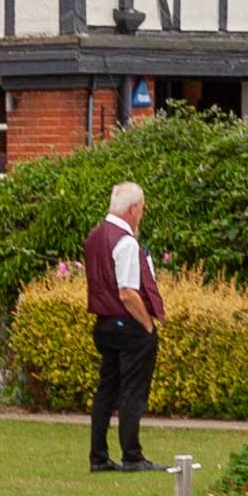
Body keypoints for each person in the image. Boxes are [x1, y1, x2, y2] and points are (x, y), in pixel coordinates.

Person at [80, 184, 168, 475]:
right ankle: (132, 454)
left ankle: (99, 455)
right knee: (133, 391)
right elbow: (128, 292)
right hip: (128, 323)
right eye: (141, 208)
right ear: (132, 209)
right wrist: (147, 325)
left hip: (103, 323)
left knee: (106, 390)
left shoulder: (95, 236)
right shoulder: (125, 242)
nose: (142, 213)